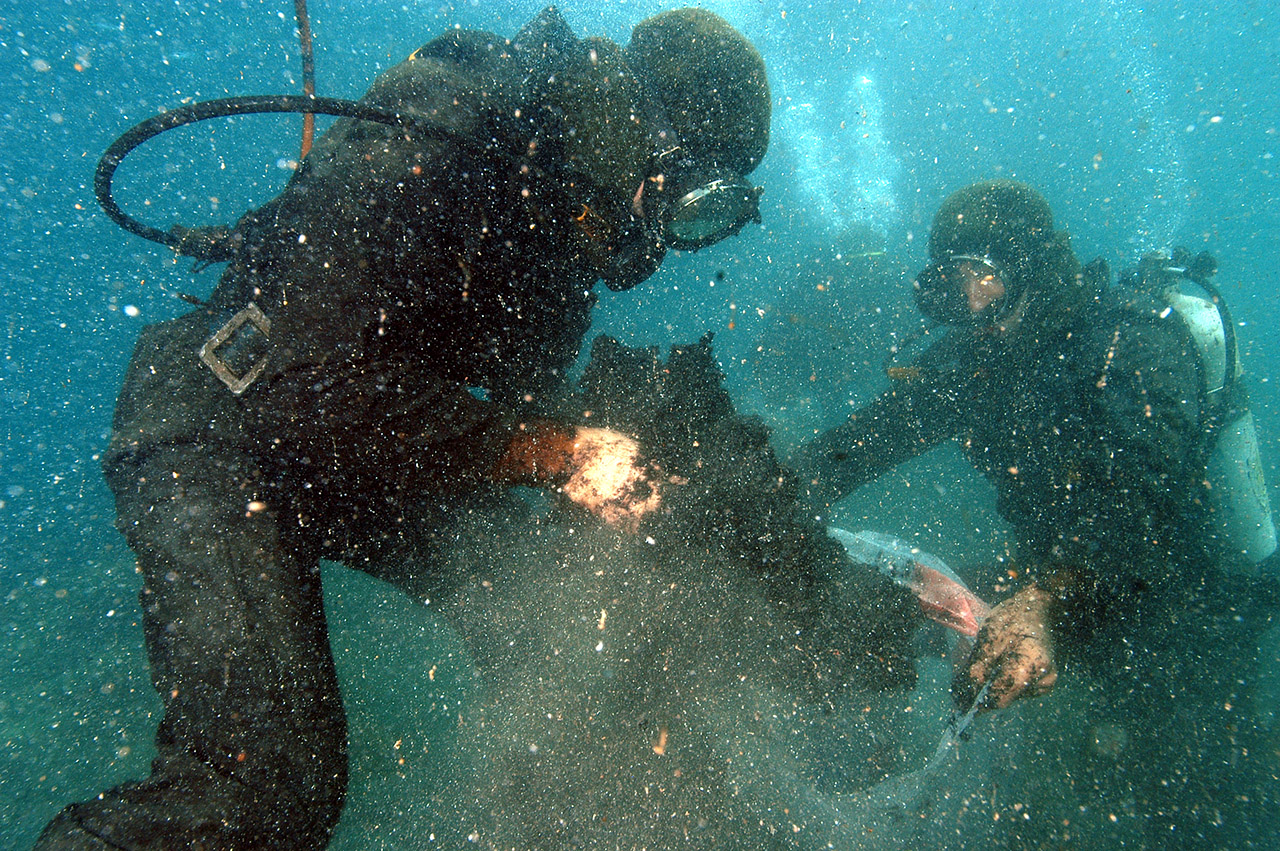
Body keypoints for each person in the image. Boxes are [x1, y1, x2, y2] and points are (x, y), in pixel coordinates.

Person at [36, 7, 771, 849]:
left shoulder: (554, 204)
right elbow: (303, 377)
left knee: (543, 609)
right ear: (650, 136)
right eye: (687, 201)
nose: (665, 239)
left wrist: (617, 459)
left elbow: (511, 400)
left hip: (364, 434)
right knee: (264, 784)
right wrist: (556, 453)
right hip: (223, 420)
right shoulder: (460, 110)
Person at [790, 179, 1275, 711]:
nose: (973, 306)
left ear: (1035, 271)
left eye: (988, 279)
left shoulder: (1131, 347)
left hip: (1179, 608)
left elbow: (1137, 504)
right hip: (1052, 589)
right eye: (955, 285)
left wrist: (1044, 599)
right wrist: (761, 491)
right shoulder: (981, 362)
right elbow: (865, 442)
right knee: (890, 600)